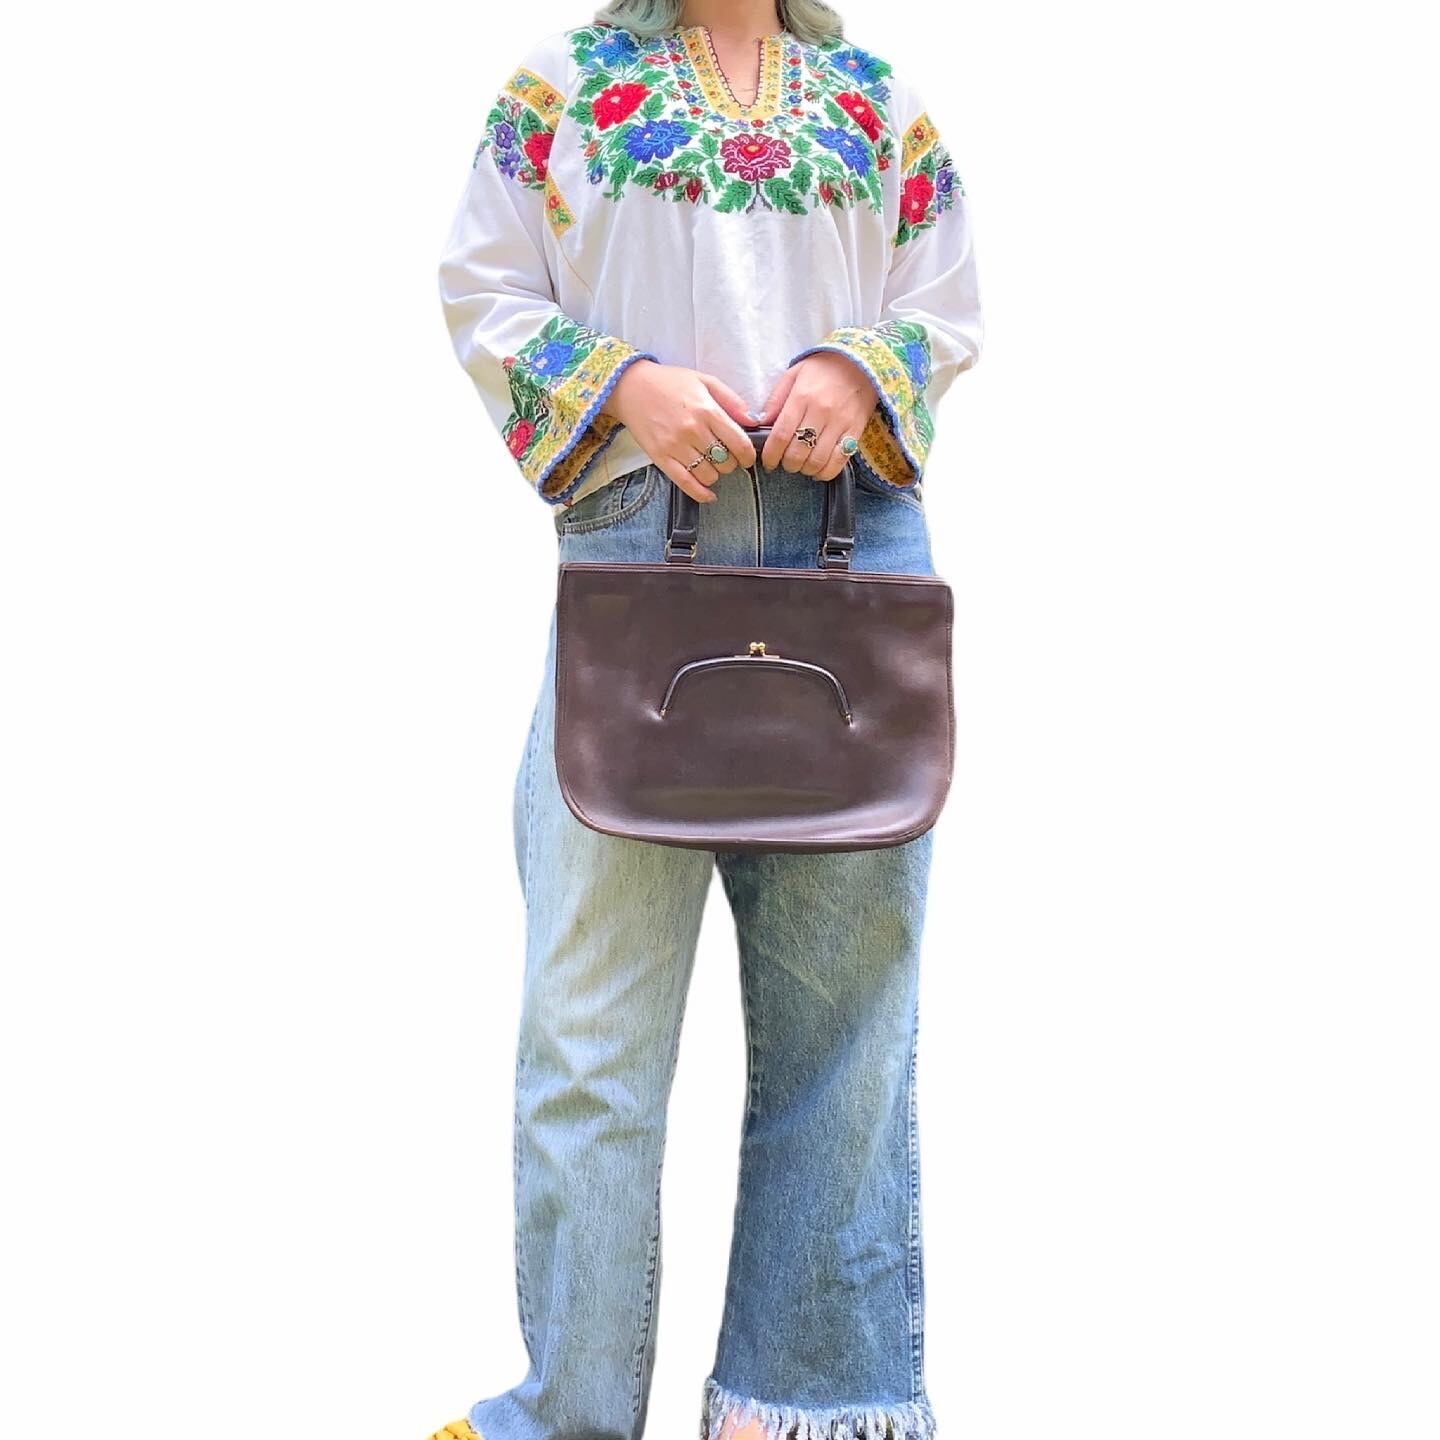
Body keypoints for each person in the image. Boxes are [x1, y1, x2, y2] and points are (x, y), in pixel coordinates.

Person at [430, 2, 982, 1439]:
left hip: (848, 549)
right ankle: (567, 1417)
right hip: (637, 554)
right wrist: (622, 386)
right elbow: (485, 286)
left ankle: (809, 1411)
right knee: (589, 1029)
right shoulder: (565, 85)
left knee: (845, 1032)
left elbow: (944, 302)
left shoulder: (873, 98)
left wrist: (860, 369)